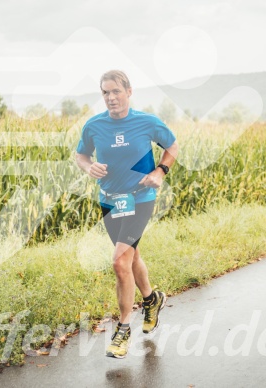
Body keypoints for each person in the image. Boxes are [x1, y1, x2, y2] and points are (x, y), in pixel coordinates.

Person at [75, 70, 179, 358]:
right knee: (131, 257)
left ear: (129, 92)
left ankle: (122, 330)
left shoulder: (146, 122)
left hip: (140, 198)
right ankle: (152, 299)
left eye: (116, 91)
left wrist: (161, 170)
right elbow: (81, 155)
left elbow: (172, 145)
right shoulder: (94, 126)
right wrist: (88, 167)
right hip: (110, 201)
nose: (111, 97)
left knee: (120, 261)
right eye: (105, 92)